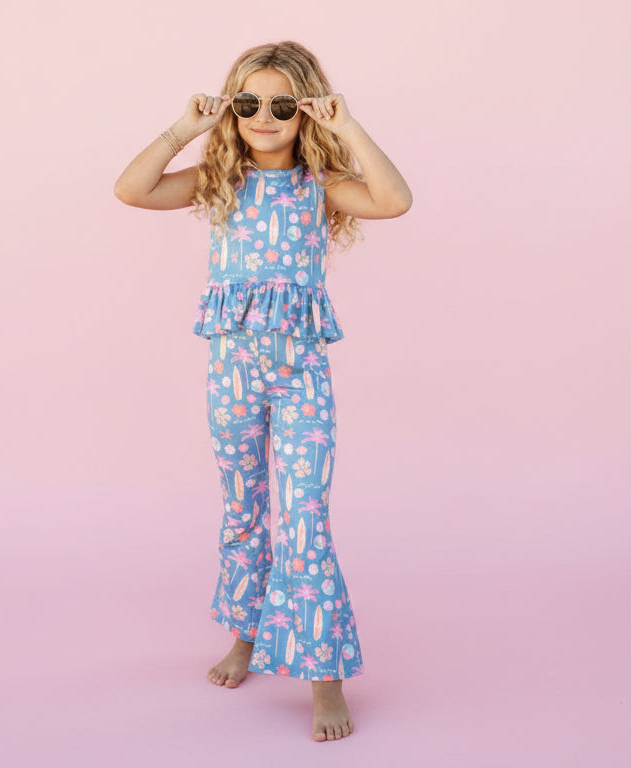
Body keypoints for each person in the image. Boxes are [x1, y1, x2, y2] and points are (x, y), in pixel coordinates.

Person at [114, 40, 412, 742]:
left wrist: (347, 127)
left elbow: (394, 201)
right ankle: (245, 635)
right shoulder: (220, 179)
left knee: (304, 517)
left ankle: (324, 678)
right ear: (232, 108)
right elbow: (131, 189)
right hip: (233, 376)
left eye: (283, 104)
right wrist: (186, 128)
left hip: (301, 376)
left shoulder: (319, 185)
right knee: (243, 510)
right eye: (249, 103)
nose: (265, 116)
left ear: (306, 109)